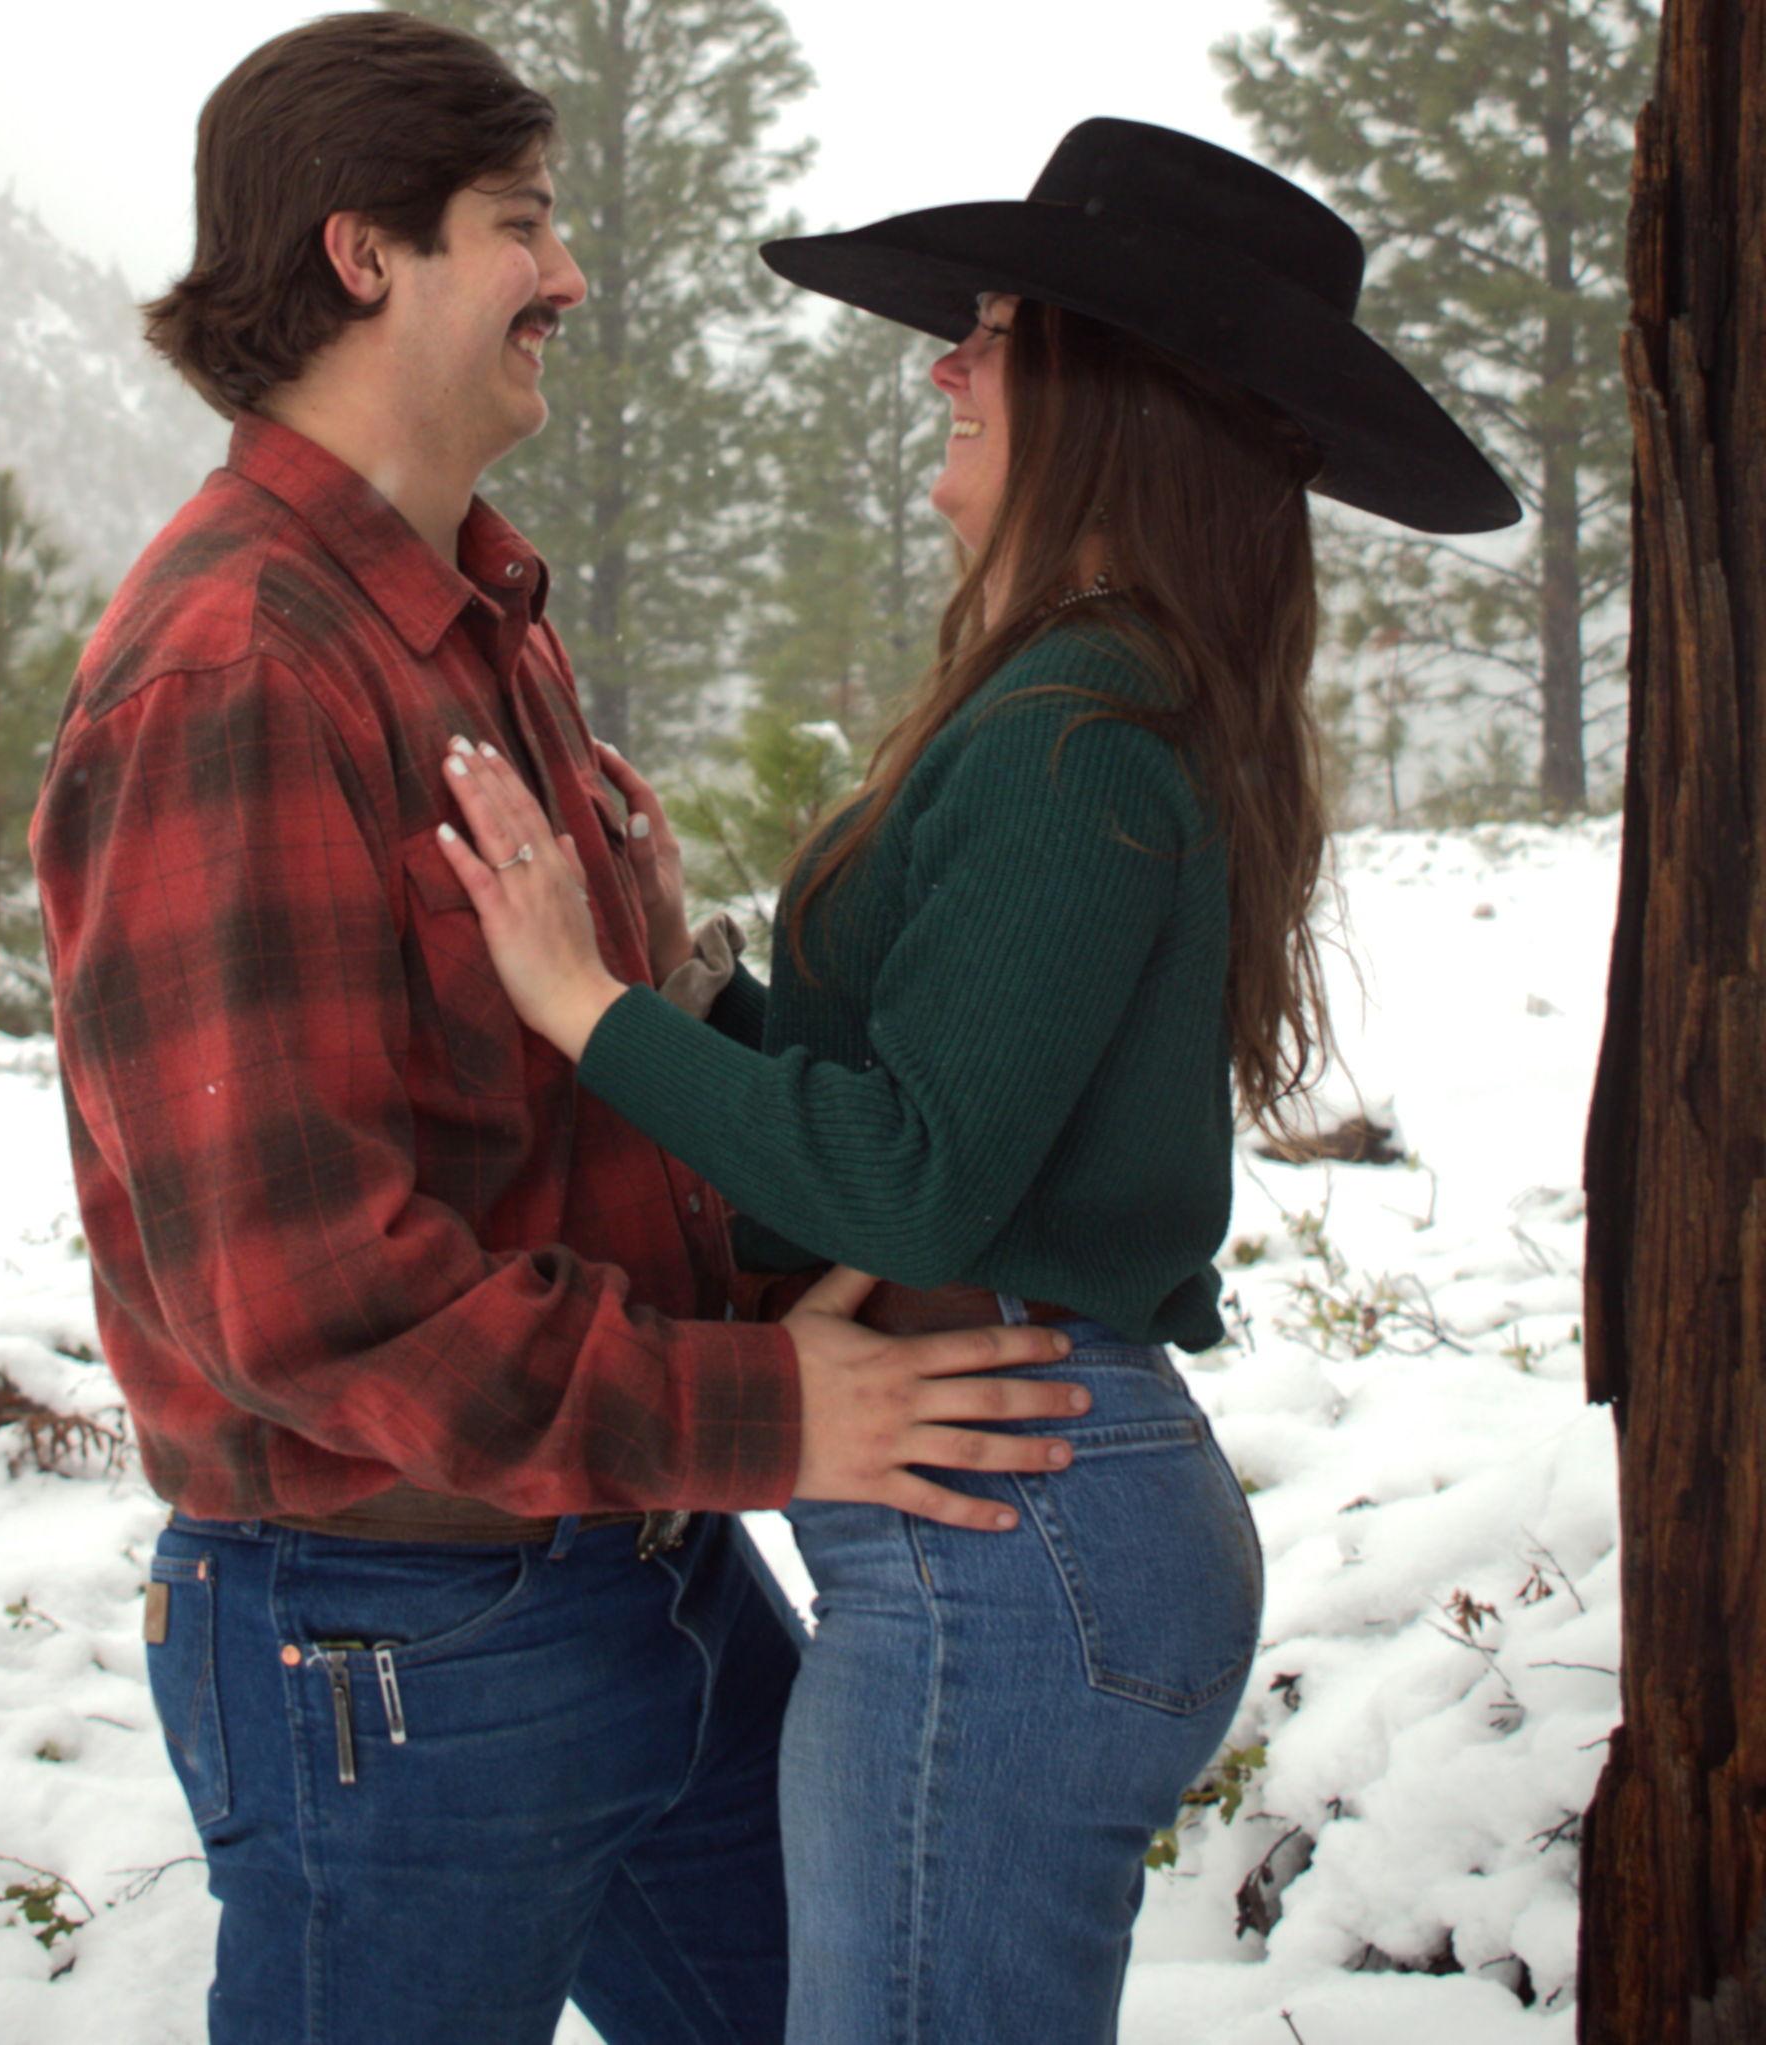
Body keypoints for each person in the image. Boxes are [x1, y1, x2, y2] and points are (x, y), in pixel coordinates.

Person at [28, 16, 1090, 2045]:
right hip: (403, 1639)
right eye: (520, 223)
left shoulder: (470, 619)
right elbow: (301, 1292)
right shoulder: (238, 670)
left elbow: (568, 1110)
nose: (572, 274)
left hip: (639, 1562)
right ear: (365, 254)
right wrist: (774, 1409)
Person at [434, 118, 1520, 2043]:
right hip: (1026, 1513)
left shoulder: (1077, 729)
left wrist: (585, 1006)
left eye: (995, 334)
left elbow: (916, 1177)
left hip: (1017, 1537)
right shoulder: (1087, 697)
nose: (943, 366)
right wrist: (684, 982)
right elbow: (943, 1094)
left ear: (1111, 395)